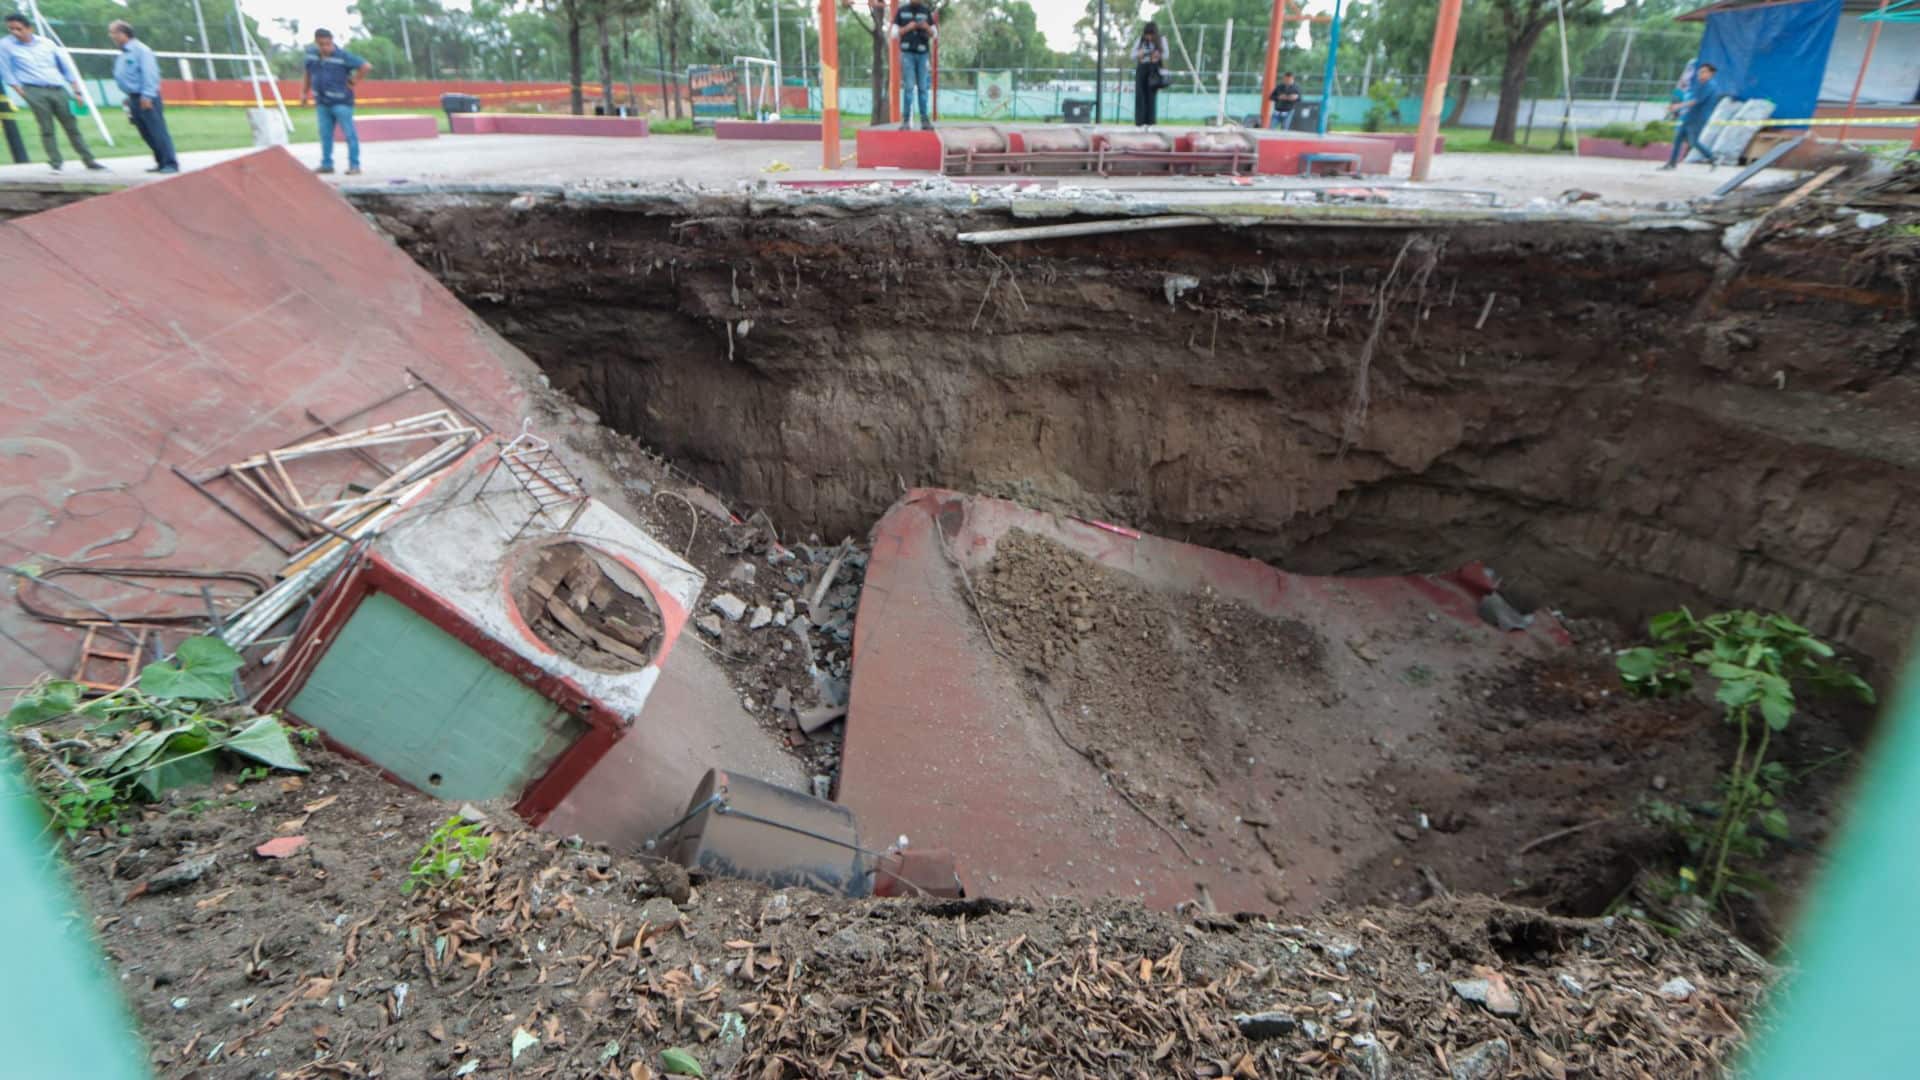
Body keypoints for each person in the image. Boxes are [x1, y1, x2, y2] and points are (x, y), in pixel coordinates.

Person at [0, 13, 105, 172]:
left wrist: (76, 91)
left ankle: (89, 160)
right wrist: (20, 91)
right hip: (33, 90)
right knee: (46, 128)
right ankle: (55, 162)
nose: (15, 32)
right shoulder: (6, 45)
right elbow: (6, 70)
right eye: (11, 29)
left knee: (71, 126)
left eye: (19, 29)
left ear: (29, 28)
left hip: (58, 89)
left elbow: (65, 68)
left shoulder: (47, 43)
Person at [300, 28, 370, 175]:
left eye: (328, 44)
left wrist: (354, 80)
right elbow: (307, 73)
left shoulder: (343, 56)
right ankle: (327, 164)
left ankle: (354, 165)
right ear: (316, 42)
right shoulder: (311, 56)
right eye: (321, 44)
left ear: (332, 41)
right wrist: (304, 93)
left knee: (349, 134)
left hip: (341, 103)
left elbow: (365, 66)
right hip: (322, 102)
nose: (325, 47)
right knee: (325, 134)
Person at [109, 20, 175, 174]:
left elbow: (150, 74)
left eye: (113, 33)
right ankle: (160, 161)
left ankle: (170, 163)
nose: (111, 36)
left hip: (146, 97)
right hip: (133, 97)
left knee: (157, 130)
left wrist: (147, 96)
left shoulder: (141, 50)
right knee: (145, 131)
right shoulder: (124, 53)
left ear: (123, 34)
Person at [1661, 61, 1719, 171]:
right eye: (1700, 72)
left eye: (1703, 72)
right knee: (1678, 139)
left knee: (1693, 141)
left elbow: (1695, 101)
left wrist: (1677, 106)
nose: (1700, 74)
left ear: (1710, 74)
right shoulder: (1700, 85)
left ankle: (1712, 157)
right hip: (1689, 116)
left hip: (1698, 118)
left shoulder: (1710, 86)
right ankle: (1672, 163)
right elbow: (1690, 99)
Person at [889, 1, 936, 131]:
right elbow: (893, 33)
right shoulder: (902, 10)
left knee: (923, 87)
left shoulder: (925, 11)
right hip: (907, 54)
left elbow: (934, 34)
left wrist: (926, 27)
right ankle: (905, 121)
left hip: (923, 54)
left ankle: (924, 121)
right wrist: (907, 28)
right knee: (908, 87)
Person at [1133, 22, 1168, 127]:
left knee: (1151, 96)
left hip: (1153, 69)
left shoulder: (1161, 40)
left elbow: (1166, 54)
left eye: (1151, 34)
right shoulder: (1140, 40)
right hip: (1142, 68)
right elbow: (1133, 55)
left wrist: (1158, 55)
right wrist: (1139, 54)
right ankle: (1140, 121)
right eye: (1147, 34)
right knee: (1140, 96)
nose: (1148, 37)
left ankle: (1150, 122)